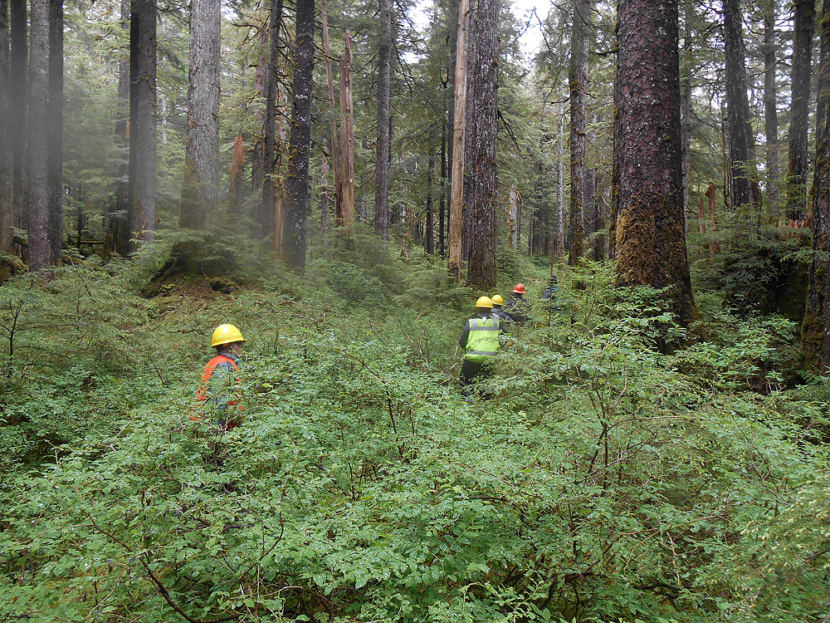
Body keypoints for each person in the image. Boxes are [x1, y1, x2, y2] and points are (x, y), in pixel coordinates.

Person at [191, 324, 246, 432]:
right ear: (228, 346)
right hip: (215, 429)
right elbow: (219, 403)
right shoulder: (224, 365)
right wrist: (219, 435)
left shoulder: (216, 361)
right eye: (239, 344)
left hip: (209, 425)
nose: (241, 348)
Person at [458, 296, 500, 398]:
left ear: (477, 309)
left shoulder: (471, 322)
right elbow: (507, 339)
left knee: (465, 381)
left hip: (472, 359)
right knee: (487, 383)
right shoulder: (497, 323)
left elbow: (462, 341)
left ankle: (466, 400)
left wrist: (468, 350)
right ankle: (486, 400)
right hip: (490, 360)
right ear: (491, 309)